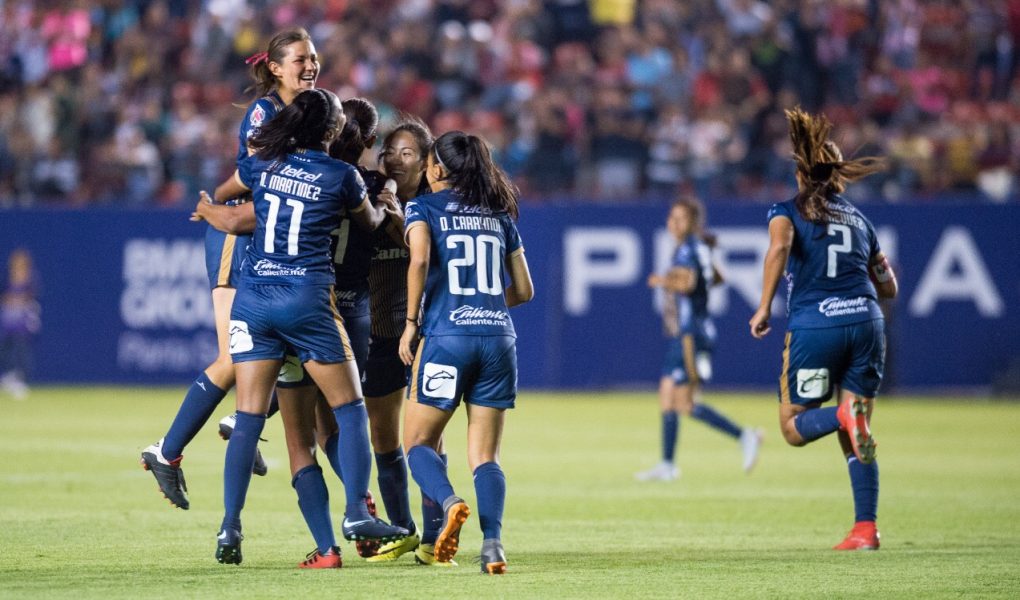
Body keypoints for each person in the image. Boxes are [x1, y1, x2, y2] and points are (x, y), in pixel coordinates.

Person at [213, 88, 407, 565]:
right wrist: (388, 203)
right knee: (349, 410)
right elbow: (371, 221)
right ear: (332, 130)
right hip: (308, 303)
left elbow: (232, 202)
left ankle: (230, 527)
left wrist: (210, 208)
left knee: (250, 418)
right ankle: (357, 511)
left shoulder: (266, 164)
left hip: (255, 301)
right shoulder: (343, 176)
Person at [140, 28, 319, 510]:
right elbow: (256, 176)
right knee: (236, 354)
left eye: (313, 57)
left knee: (293, 346)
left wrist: (216, 199)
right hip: (239, 234)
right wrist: (217, 207)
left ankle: (242, 422)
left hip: (263, 236)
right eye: (300, 59)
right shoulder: (267, 112)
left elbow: (255, 177)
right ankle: (167, 450)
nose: (310, 66)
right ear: (276, 68)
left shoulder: (307, 111)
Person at [749, 107, 897, 551]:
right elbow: (888, 286)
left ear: (801, 173)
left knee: (793, 427)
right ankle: (866, 529)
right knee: (857, 429)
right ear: (838, 176)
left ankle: (842, 415)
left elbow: (779, 248)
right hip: (868, 323)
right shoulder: (861, 221)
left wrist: (763, 307)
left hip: (817, 327)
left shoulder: (786, 211)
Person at [399, 130, 534, 574]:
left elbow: (420, 260)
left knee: (418, 443)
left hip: (446, 339)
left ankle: (450, 502)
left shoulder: (422, 207)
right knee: (486, 456)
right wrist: (486, 304)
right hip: (499, 340)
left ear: (437, 168)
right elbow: (524, 290)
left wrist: (411, 323)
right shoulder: (499, 214)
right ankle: (493, 545)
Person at [635, 198, 764, 481]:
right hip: (693, 330)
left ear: (692, 222)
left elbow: (688, 282)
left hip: (691, 333)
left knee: (686, 403)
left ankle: (744, 436)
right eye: (671, 217)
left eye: (680, 218)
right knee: (668, 394)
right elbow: (719, 277)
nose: (673, 223)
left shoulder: (687, 250)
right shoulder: (700, 247)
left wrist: (663, 281)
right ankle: (667, 464)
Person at [358, 117, 439, 564]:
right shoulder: (366, 200)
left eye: (407, 153)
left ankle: (435, 537)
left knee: (427, 438)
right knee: (384, 437)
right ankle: (402, 528)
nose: (396, 160)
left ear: (426, 162)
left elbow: (427, 259)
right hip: (380, 333)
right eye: (390, 151)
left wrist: (395, 219)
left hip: (426, 332)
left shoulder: (435, 205)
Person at [0, 249, 40, 400]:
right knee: (5, 349)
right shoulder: (7, 278)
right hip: (8, 321)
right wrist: (9, 300)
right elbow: (3, 296)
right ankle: (8, 376)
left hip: (22, 323)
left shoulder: (31, 280)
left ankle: (21, 380)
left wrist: (19, 300)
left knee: (22, 350)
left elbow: (32, 297)